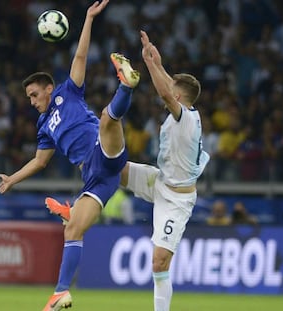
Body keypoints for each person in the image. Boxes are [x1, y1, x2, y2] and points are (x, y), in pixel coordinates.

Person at [49, 30, 209, 311]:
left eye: (174, 89)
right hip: (160, 180)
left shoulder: (186, 120)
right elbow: (170, 86)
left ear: (180, 96)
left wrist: (149, 66)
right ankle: (78, 211)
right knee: (111, 166)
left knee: (159, 262)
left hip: (177, 199)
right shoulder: (183, 110)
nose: (168, 89)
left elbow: (165, 90)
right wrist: (155, 60)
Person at [0, 1, 140, 310]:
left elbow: (81, 55)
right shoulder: (43, 126)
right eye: (29, 97)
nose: (32, 101)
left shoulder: (67, 92)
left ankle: (126, 88)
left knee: (107, 120)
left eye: (35, 94)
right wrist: (13, 179)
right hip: (97, 177)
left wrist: (88, 19)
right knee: (73, 230)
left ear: (49, 88)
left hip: (101, 153)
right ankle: (61, 292)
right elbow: (40, 161)